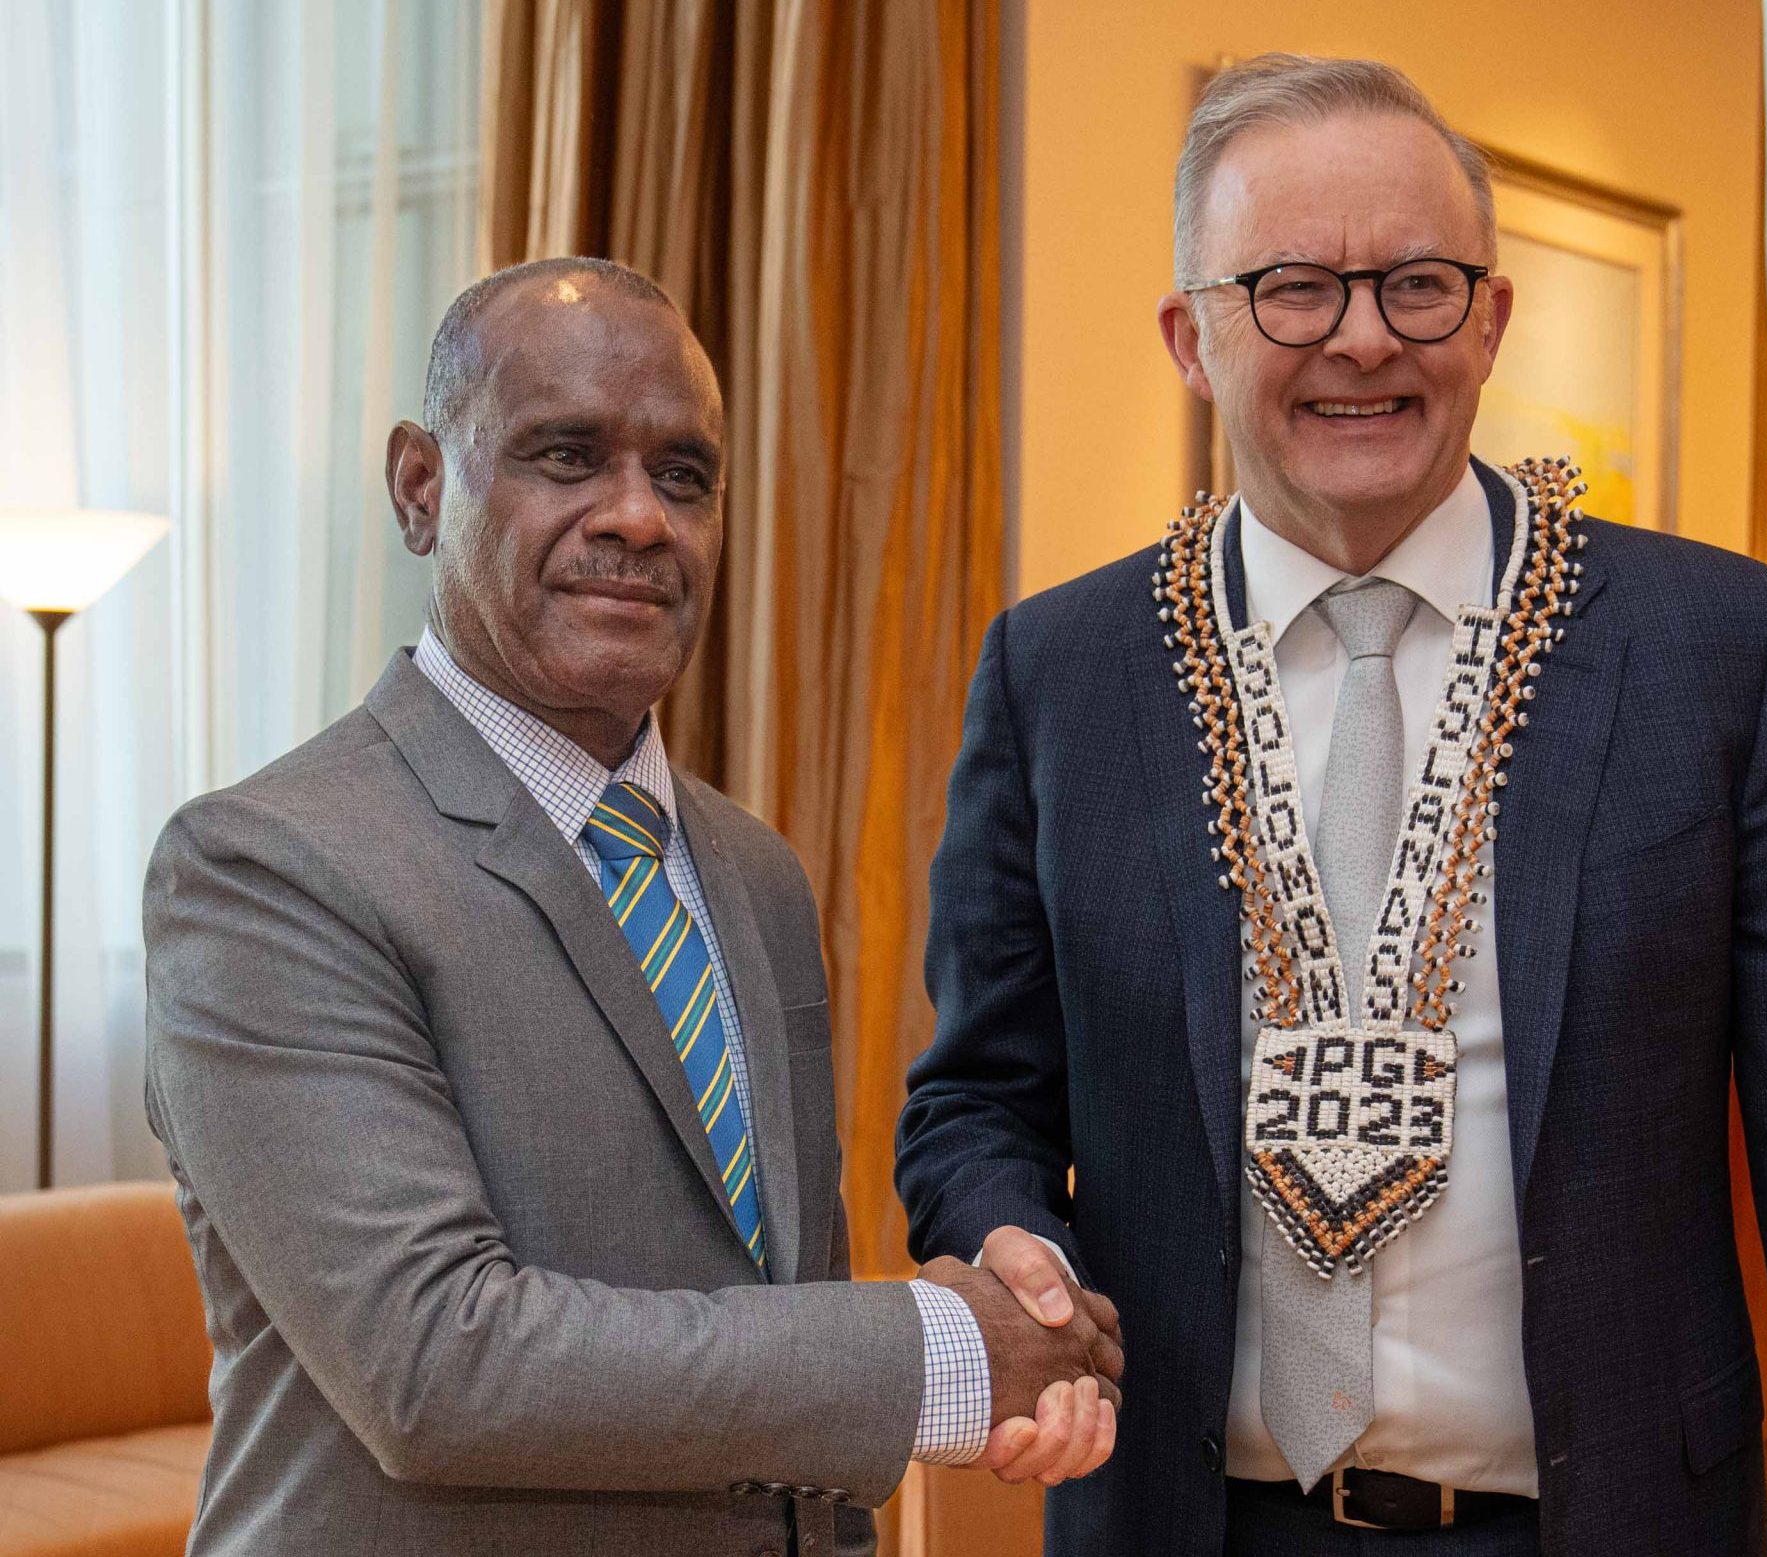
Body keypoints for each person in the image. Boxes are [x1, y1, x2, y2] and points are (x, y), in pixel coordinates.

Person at [896, 54, 1767, 1557]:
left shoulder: (1720, 654)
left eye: (1418, 284)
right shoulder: (1065, 675)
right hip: (1190, 1523)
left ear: (1491, 319)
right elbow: (972, 1100)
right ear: (1189, 338)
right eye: (1291, 288)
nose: (1362, 339)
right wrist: (1008, 1229)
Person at [142, 256, 1120, 1557]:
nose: (641, 518)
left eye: (684, 476)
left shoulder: (755, 871)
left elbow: (783, 1320)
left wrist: (1010, 1359)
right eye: (566, 455)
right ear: (421, 487)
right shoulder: (266, 865)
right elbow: (438, 1365)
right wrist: (945, 1350)